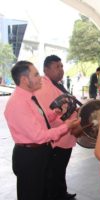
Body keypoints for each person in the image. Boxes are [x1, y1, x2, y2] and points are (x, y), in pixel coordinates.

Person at [4, 61, 80, 200]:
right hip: (30, 157)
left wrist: (54, 113)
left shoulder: (29, 98)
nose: (40, 78)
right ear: (24, 80)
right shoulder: (18, 103)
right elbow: (38, 136)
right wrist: (66, 126)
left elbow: (39, 121)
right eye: (36, 74)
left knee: (43, 193)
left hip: (39, 153)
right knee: (32, 195)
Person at [35, 55, 80, 200]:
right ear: (46, 69)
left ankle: (62, 193)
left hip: (67, 134)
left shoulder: (57, 83)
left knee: (60, 169)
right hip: (57, 138)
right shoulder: (43, 86)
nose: (61, 70)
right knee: (54, 171)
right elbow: (46, 115)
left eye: (61, 66)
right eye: (56, 67)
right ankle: (55, 196)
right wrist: (64, 125)